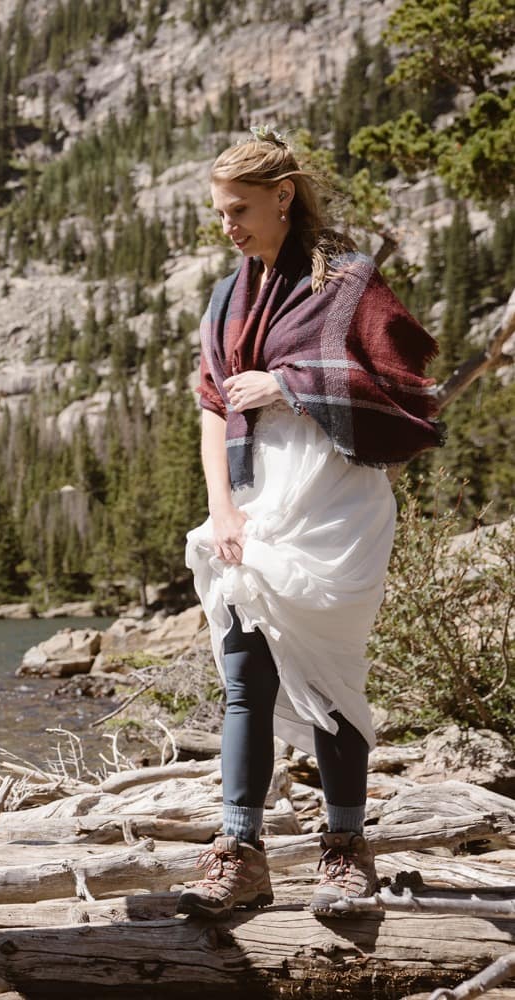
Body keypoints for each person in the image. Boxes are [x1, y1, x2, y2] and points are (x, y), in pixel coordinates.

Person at [176, 130, 442, 919]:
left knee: (330, 679)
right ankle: (238, 852)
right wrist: (222, 508)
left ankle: (345, 847)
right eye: (220, 212)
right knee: (244, 675)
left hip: (335, 506)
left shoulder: (351, 281)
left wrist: (291, 387)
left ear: (283, 197)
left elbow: (406, 388)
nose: (228, 226)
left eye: (240, 210)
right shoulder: (227, 298)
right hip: (255, 504)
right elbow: (212, 405)